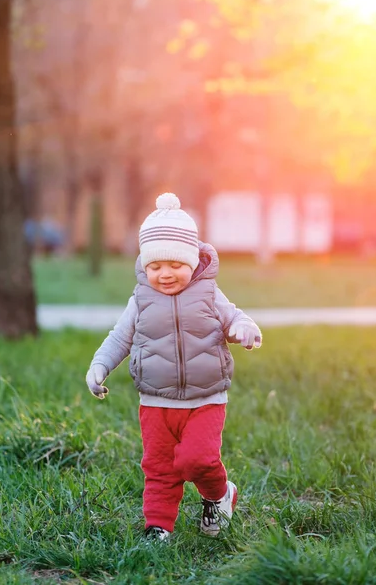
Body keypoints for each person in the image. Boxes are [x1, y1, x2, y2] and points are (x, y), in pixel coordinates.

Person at [86, 192, 262, 541]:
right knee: (159, 468)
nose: (165, 274)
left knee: (197, 460)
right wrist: (99, 365)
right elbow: (120, 337)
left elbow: (234, 318)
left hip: (206, 398)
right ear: (144, 266)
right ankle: (158, 527)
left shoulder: (209, 294)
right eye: (155, 267)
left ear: (193, 261)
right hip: (156, 402)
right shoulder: (140, 299)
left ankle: (219, 494)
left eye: (175, 265)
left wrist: (244, 329)